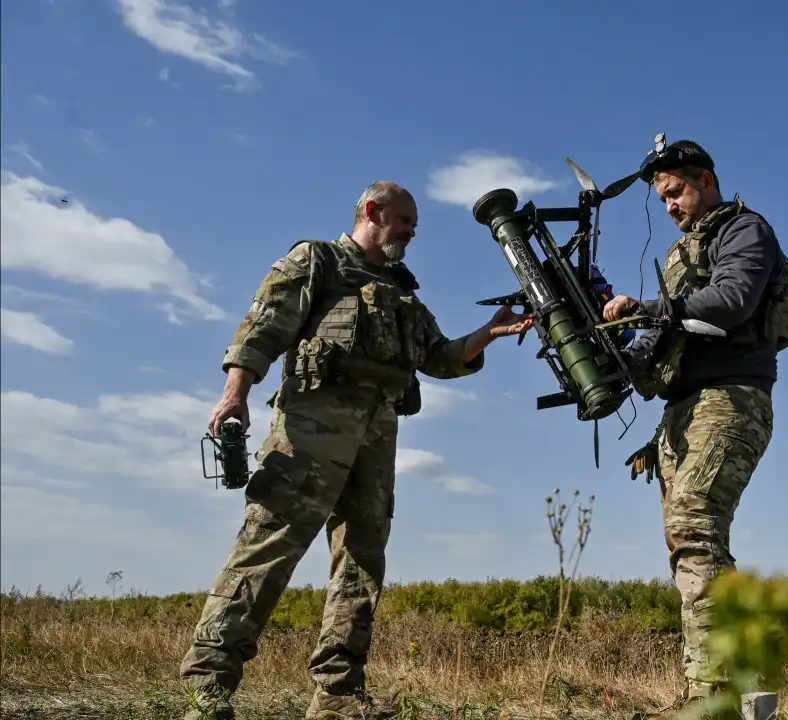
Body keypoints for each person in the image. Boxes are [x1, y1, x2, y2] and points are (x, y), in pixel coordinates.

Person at [179, 181, 532, 720]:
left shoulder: (404, 294)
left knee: (361, 565)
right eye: (406, 220)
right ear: (373, 211)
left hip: (376, 441)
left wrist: (489, 332)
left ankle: (338, 696)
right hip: (310, 431)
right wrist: (235, 395)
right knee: (267, 548)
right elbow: (263, 327)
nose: (414, 231)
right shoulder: (317, 261)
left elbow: (438, 356)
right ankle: (208, 686)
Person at [602, 140, 788, 710]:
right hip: (684, 409)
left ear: (706, 179)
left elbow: (734, 299)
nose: (668, 206)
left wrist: (649, 308)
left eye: (676, 192)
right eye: (661, 198)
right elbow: (659, 344)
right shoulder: (680, 255)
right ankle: (719, 689)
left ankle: (717, 694)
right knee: (688, 542)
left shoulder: (744, 230)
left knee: (694, 530)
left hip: (732, 396)